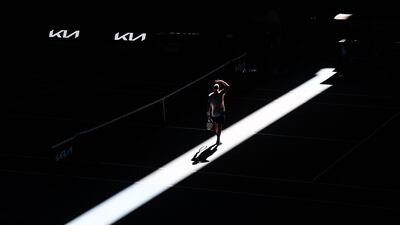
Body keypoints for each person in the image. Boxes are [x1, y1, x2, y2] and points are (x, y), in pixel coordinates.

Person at [207, 79, 230, 145]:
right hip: (220, 113)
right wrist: (221, 81)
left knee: (216, 126)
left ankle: (217, 135)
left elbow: (209, 105)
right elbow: (227, 86)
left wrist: (208, 113)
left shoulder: (210, 95)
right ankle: (218, 141)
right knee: (219, 127)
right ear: (219, 88)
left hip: (213, 114)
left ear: (213, 88)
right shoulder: (221, 94)